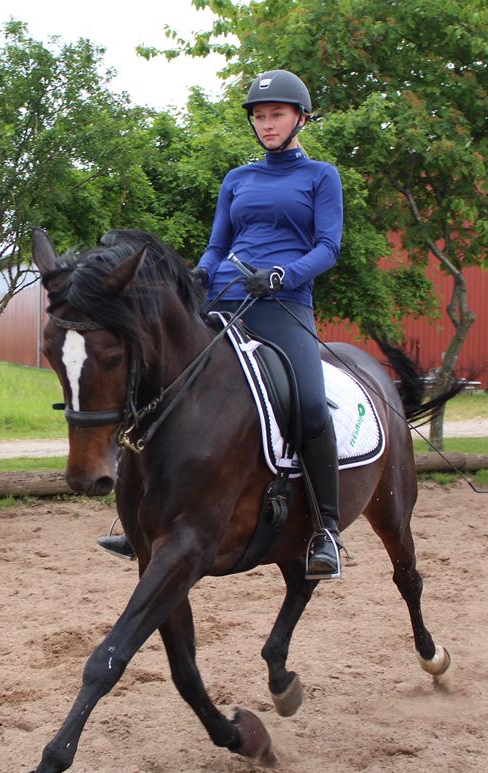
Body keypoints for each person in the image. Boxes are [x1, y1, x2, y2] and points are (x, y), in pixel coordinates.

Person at [98, 69, 345, 579]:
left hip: (283, 303)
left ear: (300, 117)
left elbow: (327, 248)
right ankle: (137, 515)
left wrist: (282, 275)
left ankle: (326, 530)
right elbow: (217, 243)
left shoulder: (321, 176)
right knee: (151, 384)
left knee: (311, 405)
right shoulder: (238, 179)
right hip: (224, 297)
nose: (267, 124)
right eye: (259, 116)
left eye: (276, 114)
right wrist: (199, 276)